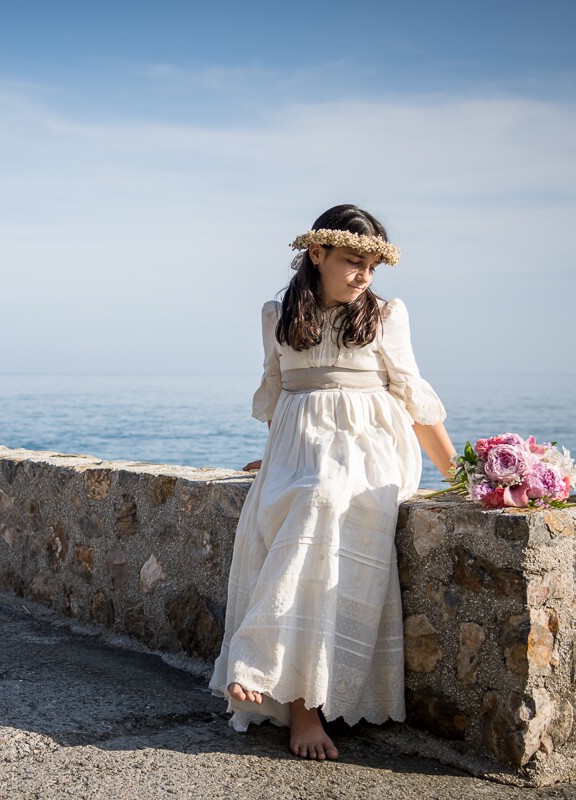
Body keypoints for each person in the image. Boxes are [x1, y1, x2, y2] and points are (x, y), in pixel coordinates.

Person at [209, 204, 457, 761]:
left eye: (371, 265)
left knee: (320, 497)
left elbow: (415, 399)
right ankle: (284, 684)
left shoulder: (386, 314)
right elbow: (279, 393)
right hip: (300, 446)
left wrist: (459, 476)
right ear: (316, 254)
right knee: (298, 496)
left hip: (371, 444)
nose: (363, 275)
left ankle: (286, 689)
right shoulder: (277, 315)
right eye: (352, 261)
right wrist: (274, 455)